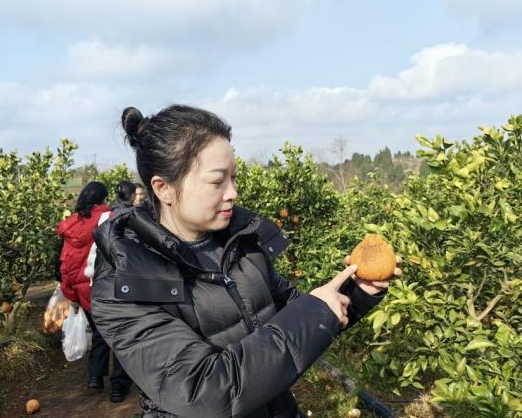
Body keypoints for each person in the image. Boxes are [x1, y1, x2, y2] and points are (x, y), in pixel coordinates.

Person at [91, 105, 401, 417]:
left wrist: (357, 292)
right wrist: (316, 311)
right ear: (164, 189)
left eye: (234, 178)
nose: (233, 193)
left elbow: (298, 318)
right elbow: (204, 389)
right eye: (217, 182)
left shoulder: (239, 246)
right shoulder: (125, 281)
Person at [57, 181, 132, 403]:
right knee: (120, 334)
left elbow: (66, 264)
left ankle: (95, 376)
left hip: (83, 290)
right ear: (103, 198)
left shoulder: (72, 224)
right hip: (107, 286)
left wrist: (71, 294)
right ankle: (119, 386)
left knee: (100, 332)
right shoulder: (108, 218)